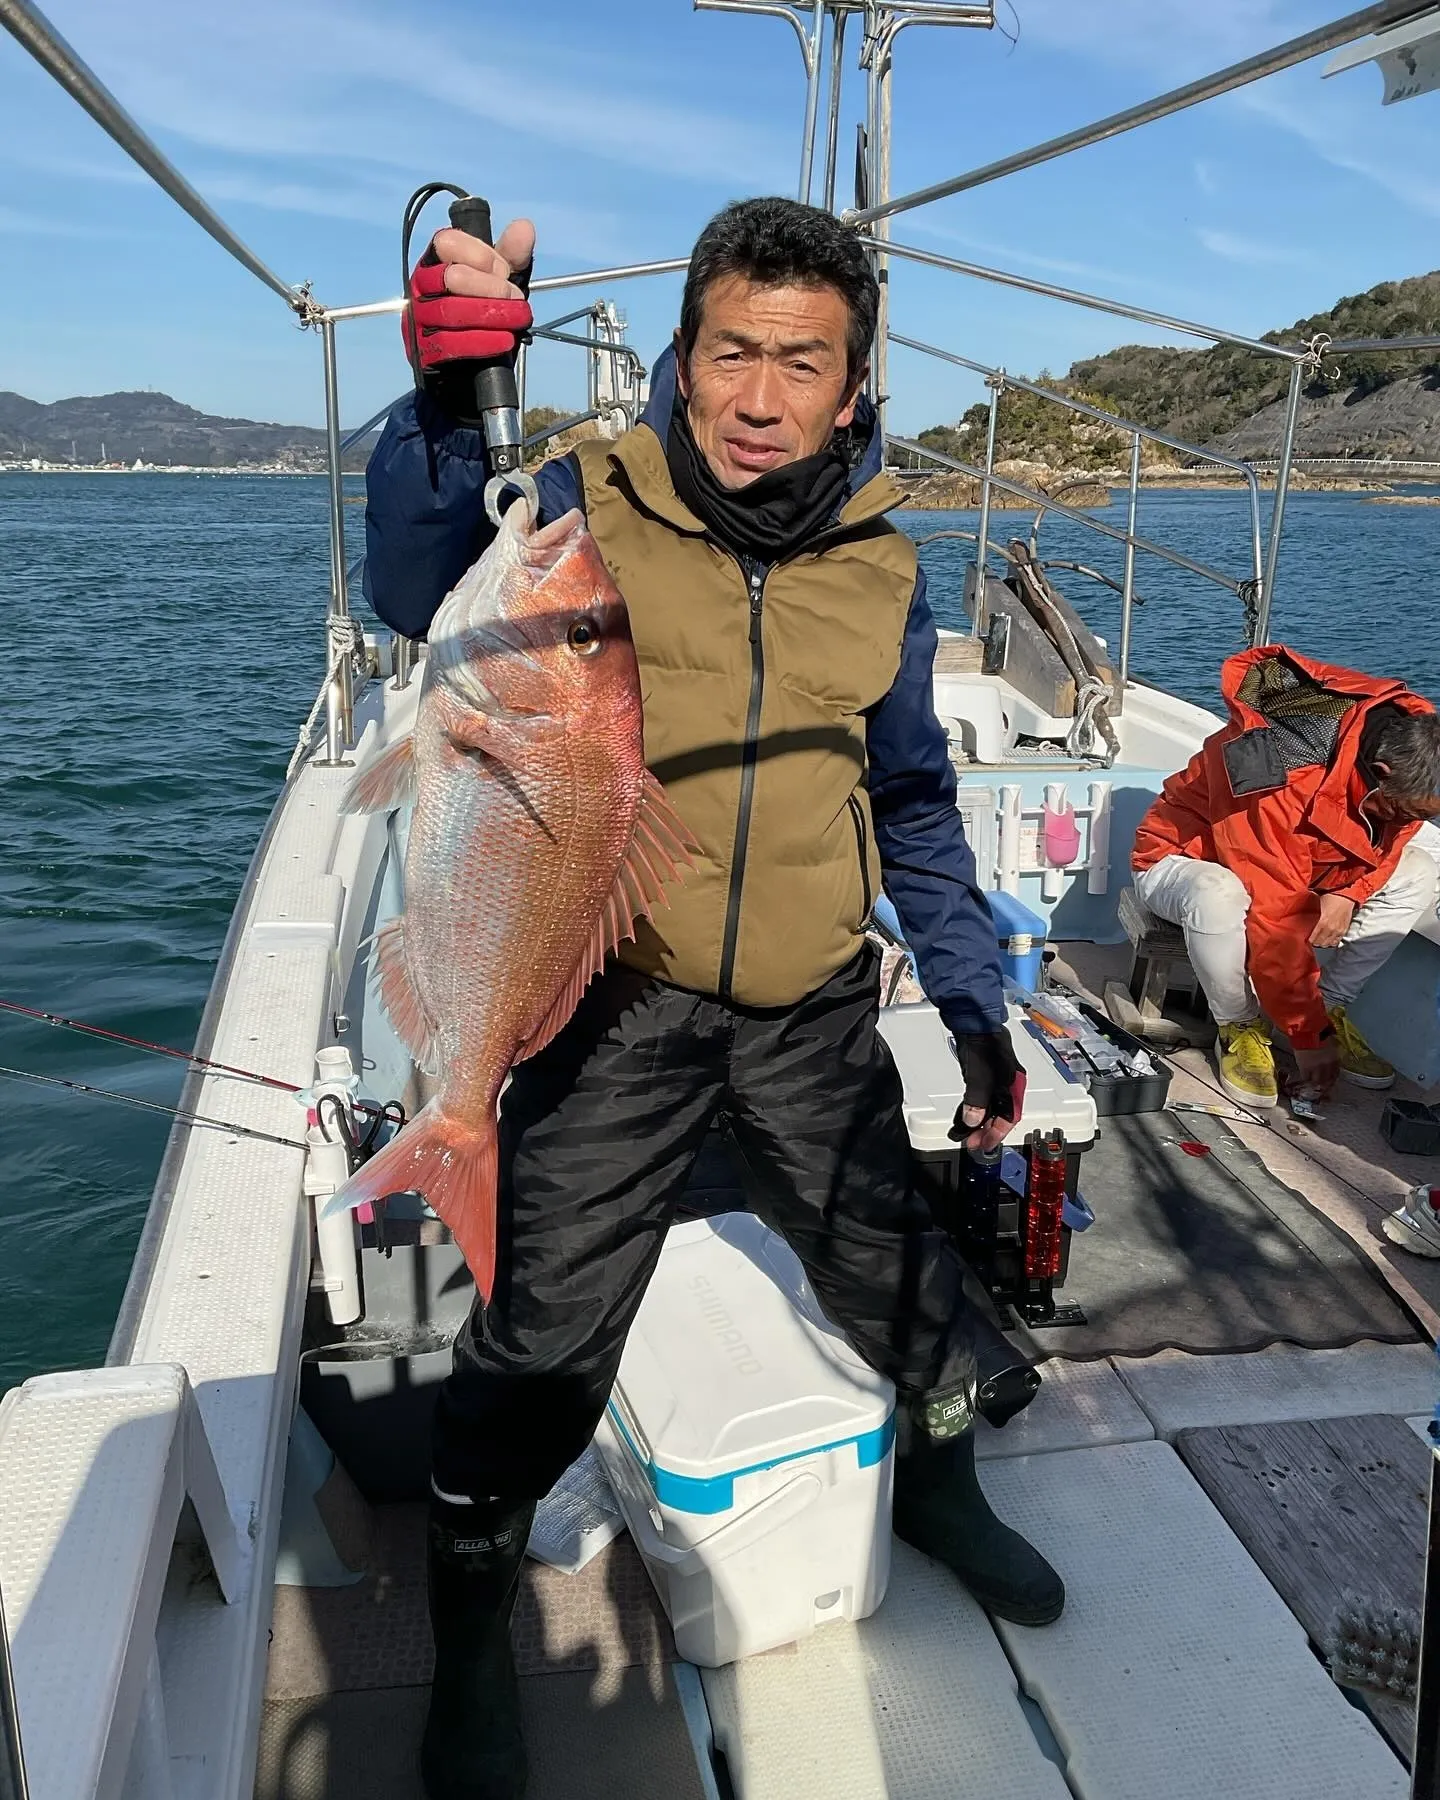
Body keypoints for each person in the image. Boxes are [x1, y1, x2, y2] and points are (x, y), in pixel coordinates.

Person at [365, 196, 1063, 1800]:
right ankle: (473, 1638)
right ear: (681, 357)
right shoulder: (571, 510)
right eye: (730, 350)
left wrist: (967, 995)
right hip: (616, 1000)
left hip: (816, 999)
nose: (759, 396)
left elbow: (913, 793)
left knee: (891, 1253)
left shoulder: (884, 569)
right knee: (542, 1330)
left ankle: (942, 1487)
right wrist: (439, 406)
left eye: (799, 362)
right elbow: (419, 583)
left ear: (854, 378)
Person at [1130, 645, 1440, 1109]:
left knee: (1420, 871)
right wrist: (1307, 1039)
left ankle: (1330, 1005)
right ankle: (1238, 1024)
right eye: (1405, 809)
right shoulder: (1273, 768)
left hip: (1306, 865)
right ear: (1381, 773)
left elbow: (1392, 835)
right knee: (1221, 893)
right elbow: (1277, 919)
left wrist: (1350, 892)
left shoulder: (1414, 750)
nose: (1405, 819)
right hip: (1181, 859)